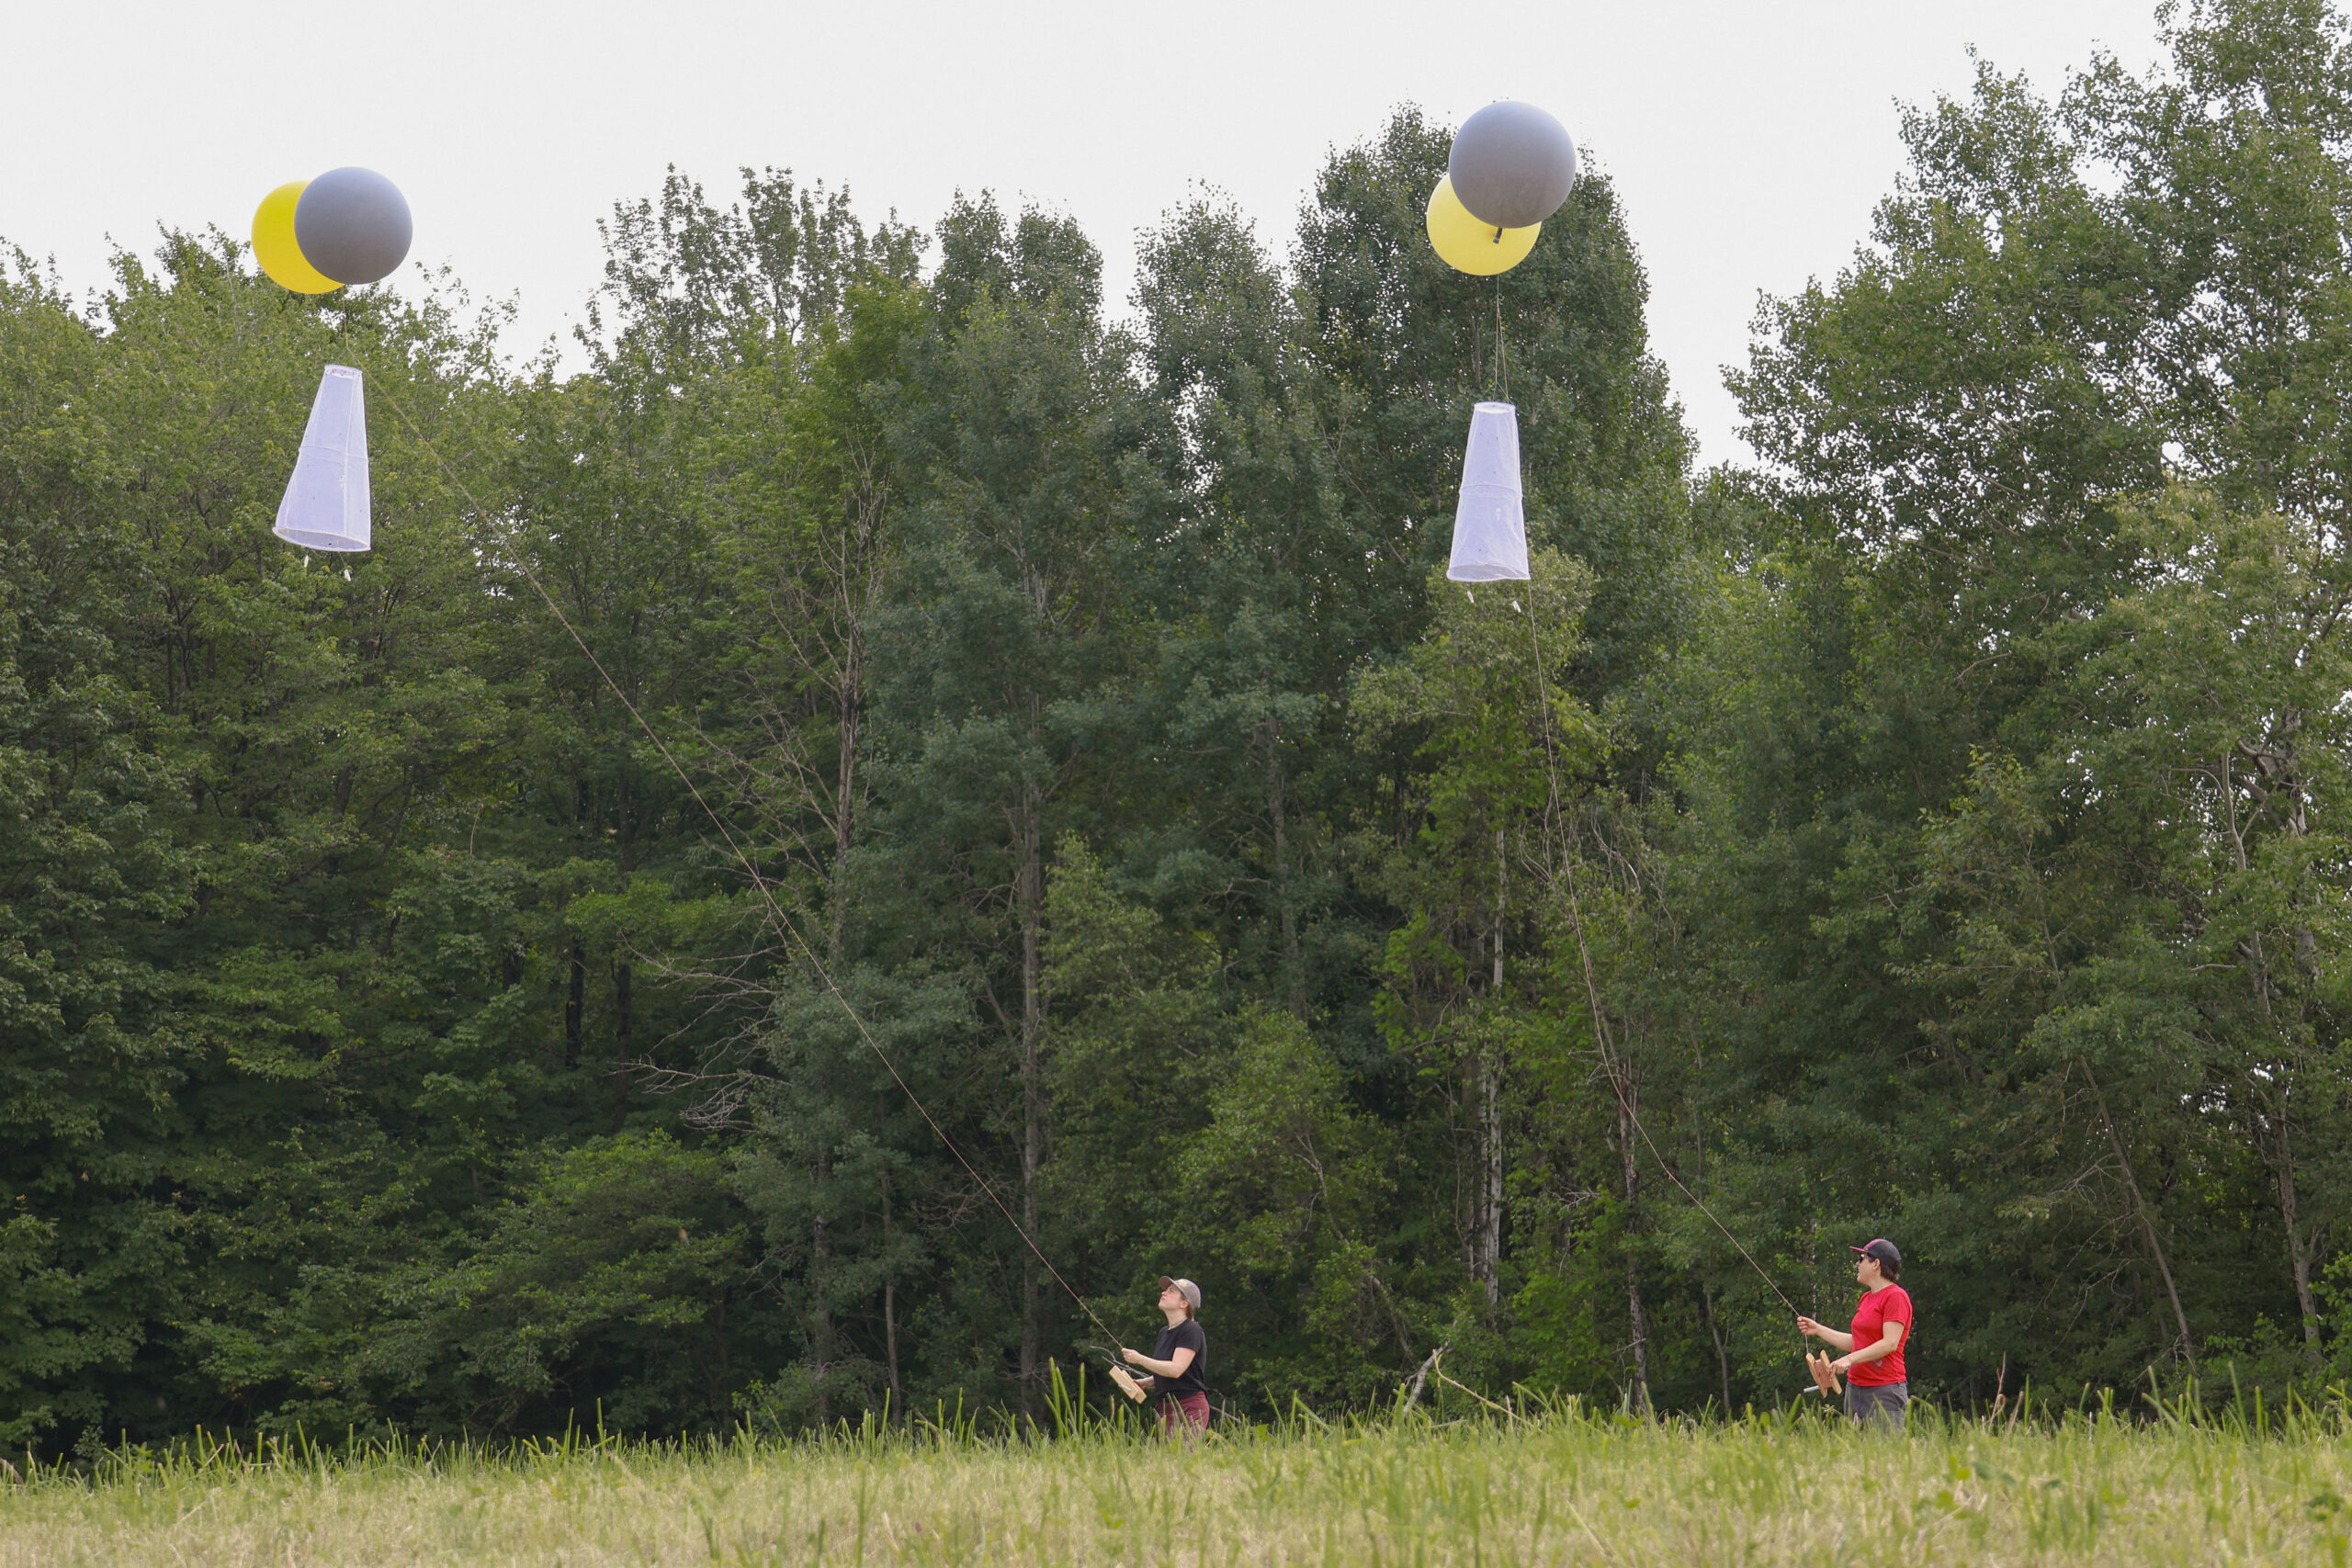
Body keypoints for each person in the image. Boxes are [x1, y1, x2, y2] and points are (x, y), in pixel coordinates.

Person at [1796, 1238, 1913, 1427]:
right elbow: (1858, 1342)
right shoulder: (1866, 1298)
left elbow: (1889, 1343)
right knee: (1855, 1454)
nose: (1857, 1264)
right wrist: (1818, 1329)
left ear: (1876, 1264)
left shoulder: (1896, 1297)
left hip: (1885, 1390)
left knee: (1884, 1455)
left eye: (1861, 1258)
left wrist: (1848, 1359)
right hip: (1855, 1389)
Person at [1122, 1276, 1208, 1435]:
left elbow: (1176, 1369)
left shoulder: (1191, 1330)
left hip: (1188, 1408)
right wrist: (1147, 1382)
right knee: (1167, 1459)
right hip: (1165, 1409)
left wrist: (1140, 1359)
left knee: (1184, 1459)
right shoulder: (1164, 1332)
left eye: (1171, 1291)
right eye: (1165, 1290)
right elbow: (1178, 1374)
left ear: (1184, 1303)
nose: (1164, 1293)